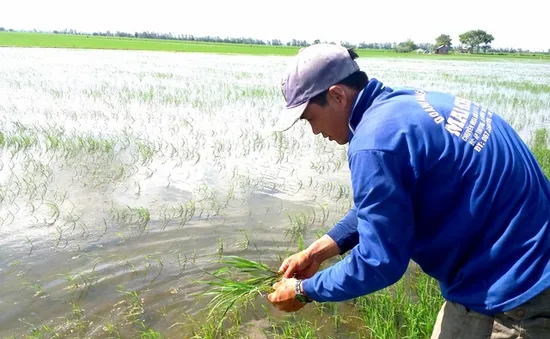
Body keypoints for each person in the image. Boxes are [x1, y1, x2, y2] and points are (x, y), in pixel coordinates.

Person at [266, 43, 550, 338]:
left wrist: (304, 291)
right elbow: (387, 204)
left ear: (337, 95)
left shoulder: (375, 143)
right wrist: (318, 252)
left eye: (310, 118)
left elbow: (380, 262)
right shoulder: (409, 104)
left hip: (516, 294)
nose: (315, 132)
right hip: (527, 267)